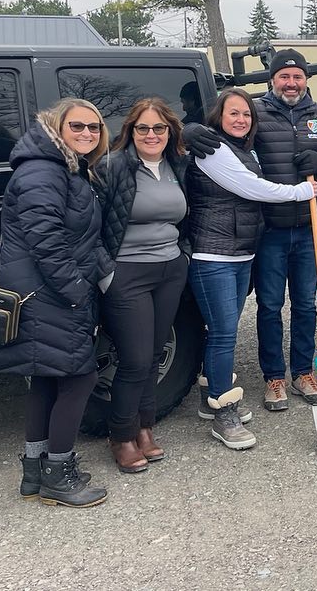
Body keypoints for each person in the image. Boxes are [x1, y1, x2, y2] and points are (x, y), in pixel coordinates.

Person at [184, 50, 317, 413]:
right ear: (272, 80)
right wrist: (191, 129)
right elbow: (217, 137)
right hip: (269, 230)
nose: (291, 83)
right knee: (270, 305)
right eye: (284, 76)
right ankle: (274, 376)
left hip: (309, 226)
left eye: (297, 76)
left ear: (306, 80)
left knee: (306, 304)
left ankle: (304, 371)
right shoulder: (254, 112)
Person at [0, 98, 112, 508]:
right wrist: (76, 293)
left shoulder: (64, 167)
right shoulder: (44, 170)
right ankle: (59, 474)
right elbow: (48, 243)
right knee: (79, 378)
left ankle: (34, 471)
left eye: (94, 127)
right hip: (48, 294)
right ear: (57, 126)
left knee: (45, 377)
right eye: (78, 127)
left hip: (43, 292)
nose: (88, 134)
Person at [185, 89, 316, 450]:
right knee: (225, 331)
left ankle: (210, 396)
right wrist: (300, 193)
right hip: (214, 254)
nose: (241, 119)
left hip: (241, 252)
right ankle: (224, 411)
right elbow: (252, 188)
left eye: (246, 114)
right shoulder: (213, 149)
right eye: (233, 114)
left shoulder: (245, 148)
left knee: (221, 330)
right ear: (218, 117)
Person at [95, 98, 190, 475]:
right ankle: (122, 435)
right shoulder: (113, 166)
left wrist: (183, 255)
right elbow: (92, 226)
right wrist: (107, 274)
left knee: (154, 354)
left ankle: (145, 427)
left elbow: (188, 214)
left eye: (159, 128)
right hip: (128, 273)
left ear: (170, 132)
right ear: (130, 132)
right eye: (143, 128)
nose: (151, 135)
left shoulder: (177, 165)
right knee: (133, 359)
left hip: (170, 269)